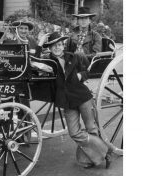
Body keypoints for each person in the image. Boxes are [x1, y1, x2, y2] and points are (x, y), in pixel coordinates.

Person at [36, 32, 122, 169]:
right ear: (50, 48)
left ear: (63, 46)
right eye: (53, 46)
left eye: (59, 45)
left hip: (83, 97)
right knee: (74, 133)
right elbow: (34, 62)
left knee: (91, 129)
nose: (57, 48)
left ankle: (88, 160)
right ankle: (107, 150)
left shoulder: (73, 56)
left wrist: (80, 75)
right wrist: (39, 44)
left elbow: (88, 72)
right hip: (67, 102)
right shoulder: (48, 62)